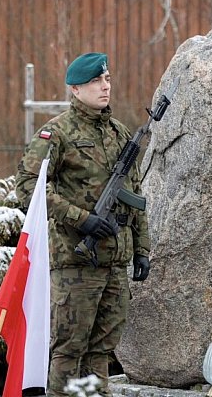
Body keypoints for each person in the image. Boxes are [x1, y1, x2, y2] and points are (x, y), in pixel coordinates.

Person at [15, 52, 151, 396]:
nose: (104, 86)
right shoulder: (57, 133)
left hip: (114, 264)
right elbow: (28, 185)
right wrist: (82, 219)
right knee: (69, 350)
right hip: (76, 264)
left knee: (101, 352)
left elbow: (135, 195)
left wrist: (142, 251)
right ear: (75, 89)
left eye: (106, 79)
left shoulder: (120, 134)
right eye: (95, 81)